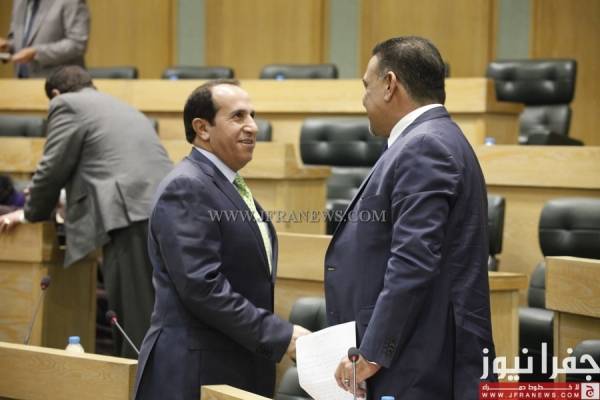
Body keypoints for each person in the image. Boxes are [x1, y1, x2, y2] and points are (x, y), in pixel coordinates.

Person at [325, 36, 495, 399]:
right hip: (417, 354)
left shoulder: (425, 146)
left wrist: (372, 353)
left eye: (367, 86)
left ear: (390, 85)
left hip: (418, 362)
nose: (363, 99)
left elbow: (413, 260)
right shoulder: (433, 139)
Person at [133, 79, 309, 400]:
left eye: (252, 115)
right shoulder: (187, 187)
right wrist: (281, 335)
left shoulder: (224, 184)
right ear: (202, 128)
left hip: (232, 363)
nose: (252, 126)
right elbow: (202, 287)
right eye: (238, 116)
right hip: (194, 372)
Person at [0, 65, 173, 358]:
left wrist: (30, 213)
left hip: (130, 216)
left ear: (56, 93)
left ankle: (138, 382)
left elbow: (52, 168)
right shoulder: (119, 106)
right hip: (162, 208)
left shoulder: (66, 104)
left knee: (135, 319)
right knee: (155, 310)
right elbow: (105, 166)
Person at [0, 0, 90, 78]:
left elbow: (77, 44)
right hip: (20, 82)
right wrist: (7, 46)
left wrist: (36, 52)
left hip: (60, 83)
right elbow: (19, 39)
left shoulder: (71, 1)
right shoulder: (19, 1)